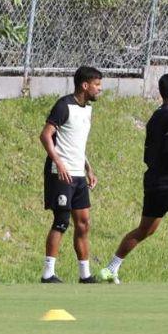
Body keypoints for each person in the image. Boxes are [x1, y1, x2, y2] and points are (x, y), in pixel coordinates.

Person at [100, 74, 168, 284]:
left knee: (146, 229)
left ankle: (111, 268)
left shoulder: (156, 115)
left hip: (153, 181)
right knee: (145, 229)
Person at [38, 66, 102, 284]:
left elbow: (76, 143)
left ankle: (85, 275)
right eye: (96, 85)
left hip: (78, 174)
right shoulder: (63, 105)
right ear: (85, 85)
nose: (99, 89)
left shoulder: (87, 109)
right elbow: (45, 135)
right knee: (62, 221)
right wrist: (59, 162)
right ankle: (48, 273)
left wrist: (88, 168)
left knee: (83, 223)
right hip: (60, 174)